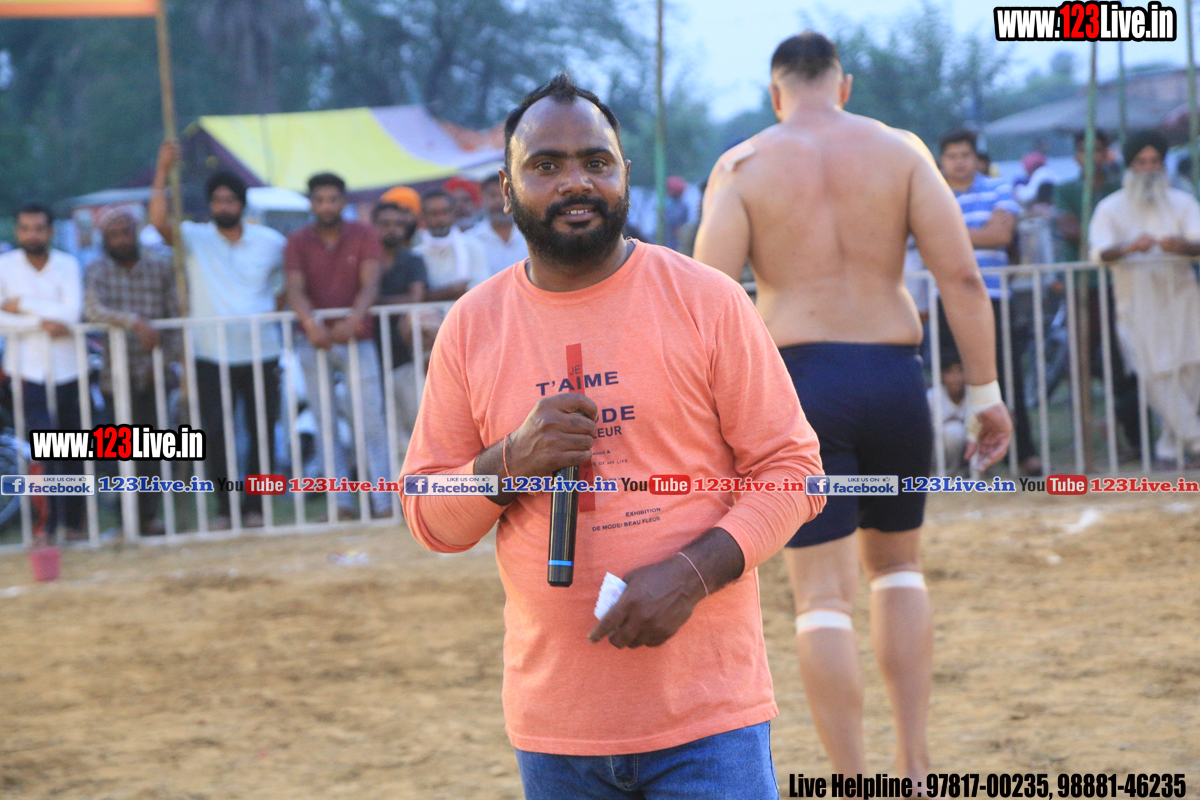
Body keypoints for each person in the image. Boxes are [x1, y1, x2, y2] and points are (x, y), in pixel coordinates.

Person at [402, 73, 825, 800]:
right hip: (556, 730)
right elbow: (428, 516)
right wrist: (510, 462)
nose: (576, 182)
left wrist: (691, 576)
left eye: (596, 162)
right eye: (546, 165)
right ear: (506, 189)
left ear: (625, 174)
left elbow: (794, 473)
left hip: (707, 720)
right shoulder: (473, 327)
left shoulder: (707, 301)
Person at [693, 32, 1012, 780]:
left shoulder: (743, 165)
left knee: (821, 600)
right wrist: (987, 394)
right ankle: (916, 766)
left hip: (801, 387)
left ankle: (851, 782)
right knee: (899, 571)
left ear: (775, 94)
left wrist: (710, 419)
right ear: (843, 86)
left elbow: (708, 300)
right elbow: (963, 279)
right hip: (895, 378)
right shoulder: (901, 152)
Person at [150, 143, 285, 529]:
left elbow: (285, 287)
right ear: (209, 205)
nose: (224, 206)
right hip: (210, 353)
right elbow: (158, 223)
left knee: (262, 432)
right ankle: (226, 508)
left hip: (262, 351)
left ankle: (256, 507)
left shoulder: (271, 242)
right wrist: (162, 170)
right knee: (216, 433)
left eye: (230, 200)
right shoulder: (195, 238)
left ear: (242, 204)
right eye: (217, 201)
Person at [285, 172, 393, 519]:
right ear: (311, 203)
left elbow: (371, 284)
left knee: (371, 420)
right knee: (324, 423)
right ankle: (341, 504)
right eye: (320, 200)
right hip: (313, 340)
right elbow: (294, 289)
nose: (327, 206)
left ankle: (383, 502)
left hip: (357, 339)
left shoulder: (363, 234)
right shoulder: (298, 240)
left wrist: (354, 320)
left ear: (343, 202)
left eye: (333, 199)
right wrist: (311, 324)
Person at [1090, 129, 1200, 462]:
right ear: (1130, 166)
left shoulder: (1183, 202)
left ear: (1163, 165)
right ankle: (1195, 439)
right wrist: (1128, 248)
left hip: (1181, 298)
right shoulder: (1110, 207)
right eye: (1141, 162)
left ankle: (1169, 446)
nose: (1149, 169)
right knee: (1153, 372)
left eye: (1154, 162)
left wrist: (1180, 246)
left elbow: (1197, 241)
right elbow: (1099, 252)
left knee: (1191, 367)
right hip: (1136, 303)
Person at [938, 129, 1038, 475]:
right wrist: (978, 234)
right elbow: (987, 234)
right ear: (941, 160)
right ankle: (964, 458)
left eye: (965, 155)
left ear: (975, 157)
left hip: (992, 296)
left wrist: (945, 234)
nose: (959, 162)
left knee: (1006, 374)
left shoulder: (997, 187)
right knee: (952, 377)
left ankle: (1022, 452)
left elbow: (1001, 235)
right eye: (952, 156)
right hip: (945, 298)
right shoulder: (933, 192)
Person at [83, 209, 180, 535]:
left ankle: (148, 518)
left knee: (153, 451)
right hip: (115, 375)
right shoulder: (97, 270)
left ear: (135, 232)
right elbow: (92, 309)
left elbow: (175, 321)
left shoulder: (159, 267)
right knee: (120, 451)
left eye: (126, 232)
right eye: (114, 234)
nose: (121, 240)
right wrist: (134, 322)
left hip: (155, 373)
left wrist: (163, 363)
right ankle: (125, 520)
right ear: (105, 238)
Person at [0, 205, 85, 540]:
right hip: (27, 372)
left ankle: (74, 524)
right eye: (25, 228)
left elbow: (71, 314)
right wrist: (40, 321)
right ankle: (47, 526)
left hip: (70, 370)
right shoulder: (5, 266)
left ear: (50, 231)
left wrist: (21, 304)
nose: (31, 234)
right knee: (44, 449)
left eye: (38, 228)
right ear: (17, 231)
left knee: (72, 450)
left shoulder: (68, 264)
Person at [1055, 130, 1141, 457]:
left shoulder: (1121, 187)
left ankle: (1134, 437)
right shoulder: (1067, 189)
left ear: (1107, 154)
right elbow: (1070, 231)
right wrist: (1112, 239)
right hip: (1083, 288)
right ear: (1076, 156)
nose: (1091, 156)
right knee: (1080, 362)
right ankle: (1084, 441)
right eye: (1084, 150)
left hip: (1120, 283)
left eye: (1098, 150)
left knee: (1128, 358)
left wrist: (1114, 242)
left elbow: (1130, 230)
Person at [370, 200, 427, 453]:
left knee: (411, 415)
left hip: (406, 350)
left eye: (398, 224)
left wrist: (372, 302)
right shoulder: (365, 260)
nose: (392, 229)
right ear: (373, 226)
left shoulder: (413, 259)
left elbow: (416, 298)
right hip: (370, 347)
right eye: (385, 224)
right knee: (375, 417)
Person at [414, 188, 487, 301]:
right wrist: (454, 290)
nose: (440, 219)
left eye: (445, 212)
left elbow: (481, 289)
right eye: (434, 214)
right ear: (422, 217)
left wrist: (435, 295)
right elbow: (419, 297)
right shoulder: (416, 254)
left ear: (453, 213)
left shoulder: (474, 247)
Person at [469, 174, 528, 282]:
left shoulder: (533, 235)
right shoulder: (470, 240)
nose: (499, 201)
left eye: (506, 195)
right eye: (492, 195)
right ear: (482, 199)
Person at [928, 360, 969, 476]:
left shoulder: (973, 394)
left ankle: (967, 471)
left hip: (966, 451)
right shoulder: (932, 395)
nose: (955, 377)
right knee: (953, 431)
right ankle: (943, 472)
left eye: (960, 371)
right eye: (950, 372)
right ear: (942, 375)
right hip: (936, 452)